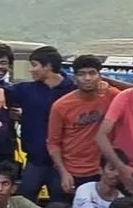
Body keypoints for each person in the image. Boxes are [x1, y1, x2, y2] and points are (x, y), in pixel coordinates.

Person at [7, 46, 74, 203]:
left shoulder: (73, 89)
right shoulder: (26, 90)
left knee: (61, 207)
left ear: (48, 66)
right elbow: (1, 92)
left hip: (65, 164)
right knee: (24, 203)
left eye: (34, 65)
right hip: (35, 162)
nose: (31, 70)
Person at [46, 55, 116, 200]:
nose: (87, 78)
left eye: (92, 73)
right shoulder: (61, 106)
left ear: (100, 76)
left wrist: (109, 82)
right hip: (71, 173)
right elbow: (53, 143)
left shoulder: (111, 95)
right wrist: (63, 172)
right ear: (74, 78)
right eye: (82, 74)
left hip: (100, 172)